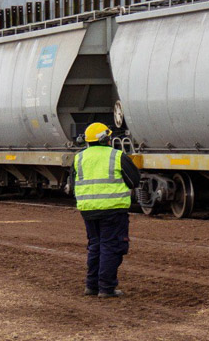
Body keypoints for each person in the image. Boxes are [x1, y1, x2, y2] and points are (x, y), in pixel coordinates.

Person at [74, 122, 140, 299]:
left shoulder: (79, 157)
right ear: (106, 139)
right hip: (113, 210)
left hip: (88, 210)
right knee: (111, 247)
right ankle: (106, 288)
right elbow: (134, 181)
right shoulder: (117, 156)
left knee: (95, 246)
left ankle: (92, 286)